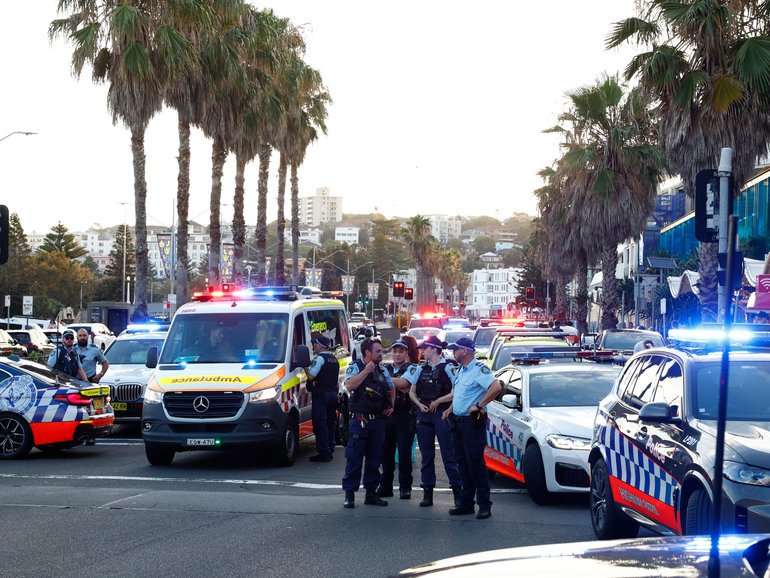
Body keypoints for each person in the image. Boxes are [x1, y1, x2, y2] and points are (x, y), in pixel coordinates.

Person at [442, 337, 501, 519]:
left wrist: (479, 405)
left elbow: (496, 387)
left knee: (475, 463)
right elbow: (460, 395)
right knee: (462, 463)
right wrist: (450, 409)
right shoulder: (461, 370)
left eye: (456, 349)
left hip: (472, 422)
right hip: (458, 421)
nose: (453, 353)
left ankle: (484, 505)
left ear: (464, 351)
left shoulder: (478, 369)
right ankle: (466, 503)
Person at [342, 338, 396, 508]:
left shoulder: (382, 370)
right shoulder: (356, 367)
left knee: (375, 459)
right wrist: (366, 371)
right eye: (378, 351)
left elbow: (391, 387)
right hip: (360, 420)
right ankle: (350, 495)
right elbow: (349, 385)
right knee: (354, 458)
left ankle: (371, 493)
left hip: (377, 421)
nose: (381, 354)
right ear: (367, 353)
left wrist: (391, 405)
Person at [409, 335, 463, 507]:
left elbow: (457, 391)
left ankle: (458, 493)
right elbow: (412, 391)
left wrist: (439, 401)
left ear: (434, 349)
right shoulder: (421, 369)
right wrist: (419, 405)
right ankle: (427, 493)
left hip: (442, 413)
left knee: (448, 455)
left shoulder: (448, 367)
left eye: (425, 348)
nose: (422, 352)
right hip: (425, 414)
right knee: (426, 456)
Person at [377, 338, 420, 499]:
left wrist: (386, 382)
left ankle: (405, 488)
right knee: (386, 453)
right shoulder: (384, 367)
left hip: (404, 415)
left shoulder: (413, 367)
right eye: (395, 351)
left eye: (401, 351)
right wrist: (395, 384)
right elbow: (379, 383)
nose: (397, 354)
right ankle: (386, 487)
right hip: (387, 415)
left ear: (406, 353)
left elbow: (403, 382)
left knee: (404, 453)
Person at [304, 335, 340, 463]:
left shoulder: (319, 358)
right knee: (330, 423)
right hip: (333, 395)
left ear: (321, 346)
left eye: (316, 344)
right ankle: (330, 448)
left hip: (321, 396)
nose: (314, 346)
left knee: (320, 424)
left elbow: (311, 376)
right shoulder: (334, 359)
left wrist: (304, 367)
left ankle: (323, 452)